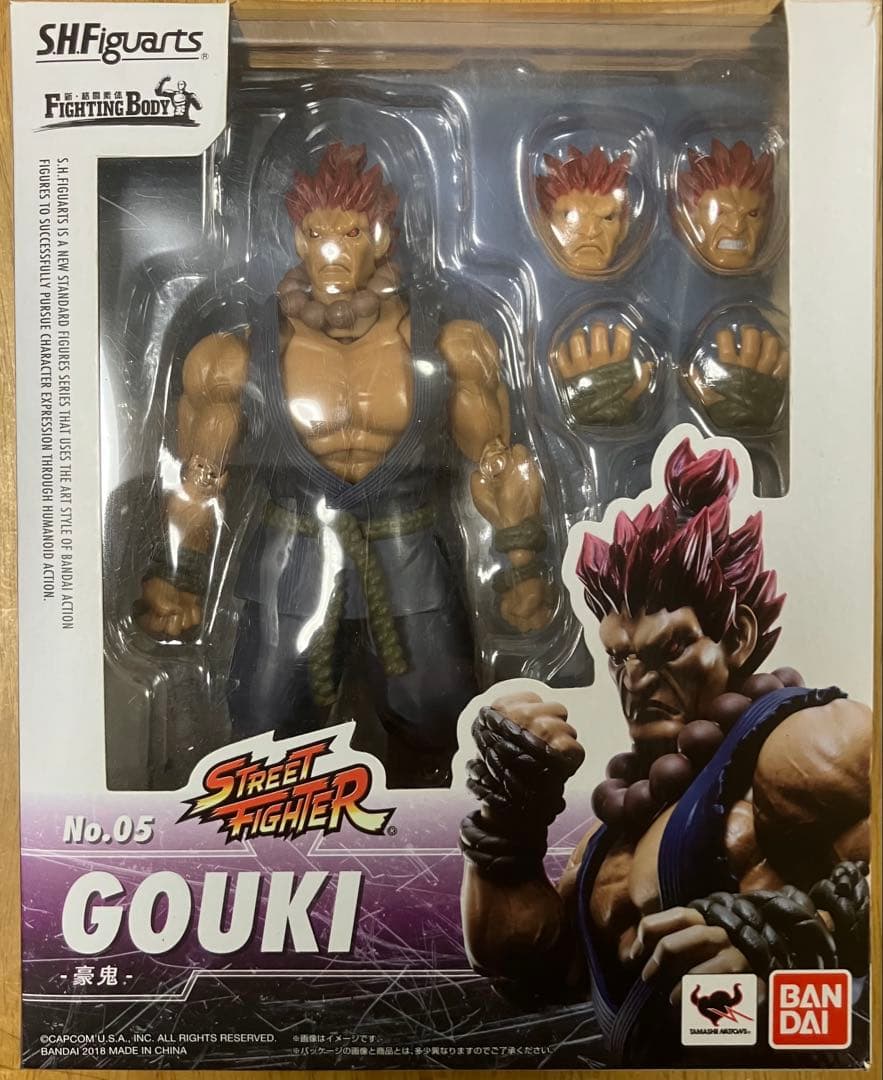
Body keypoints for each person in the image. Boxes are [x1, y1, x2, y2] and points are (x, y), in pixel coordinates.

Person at [136, 143, 553, 788]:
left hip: (410, 557)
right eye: (316, 232)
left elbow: (499, 470)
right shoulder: (233, 355)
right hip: (291, 560)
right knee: (263, 732)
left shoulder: (452, 343)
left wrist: (520, 569)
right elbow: (198, 480)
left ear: (380, 238)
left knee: (444, 729)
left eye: (352, 232)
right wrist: (182, 578)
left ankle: (428, 845)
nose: (332, 249)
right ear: (296, 238)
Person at [459, 437, 870, 1062]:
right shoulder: (609, 838)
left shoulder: (806, 743)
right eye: (619, 656)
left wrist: (798, 936)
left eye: (668, 648)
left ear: (736, 636)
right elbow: (535, 972)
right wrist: (506, 828)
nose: (636, 681)